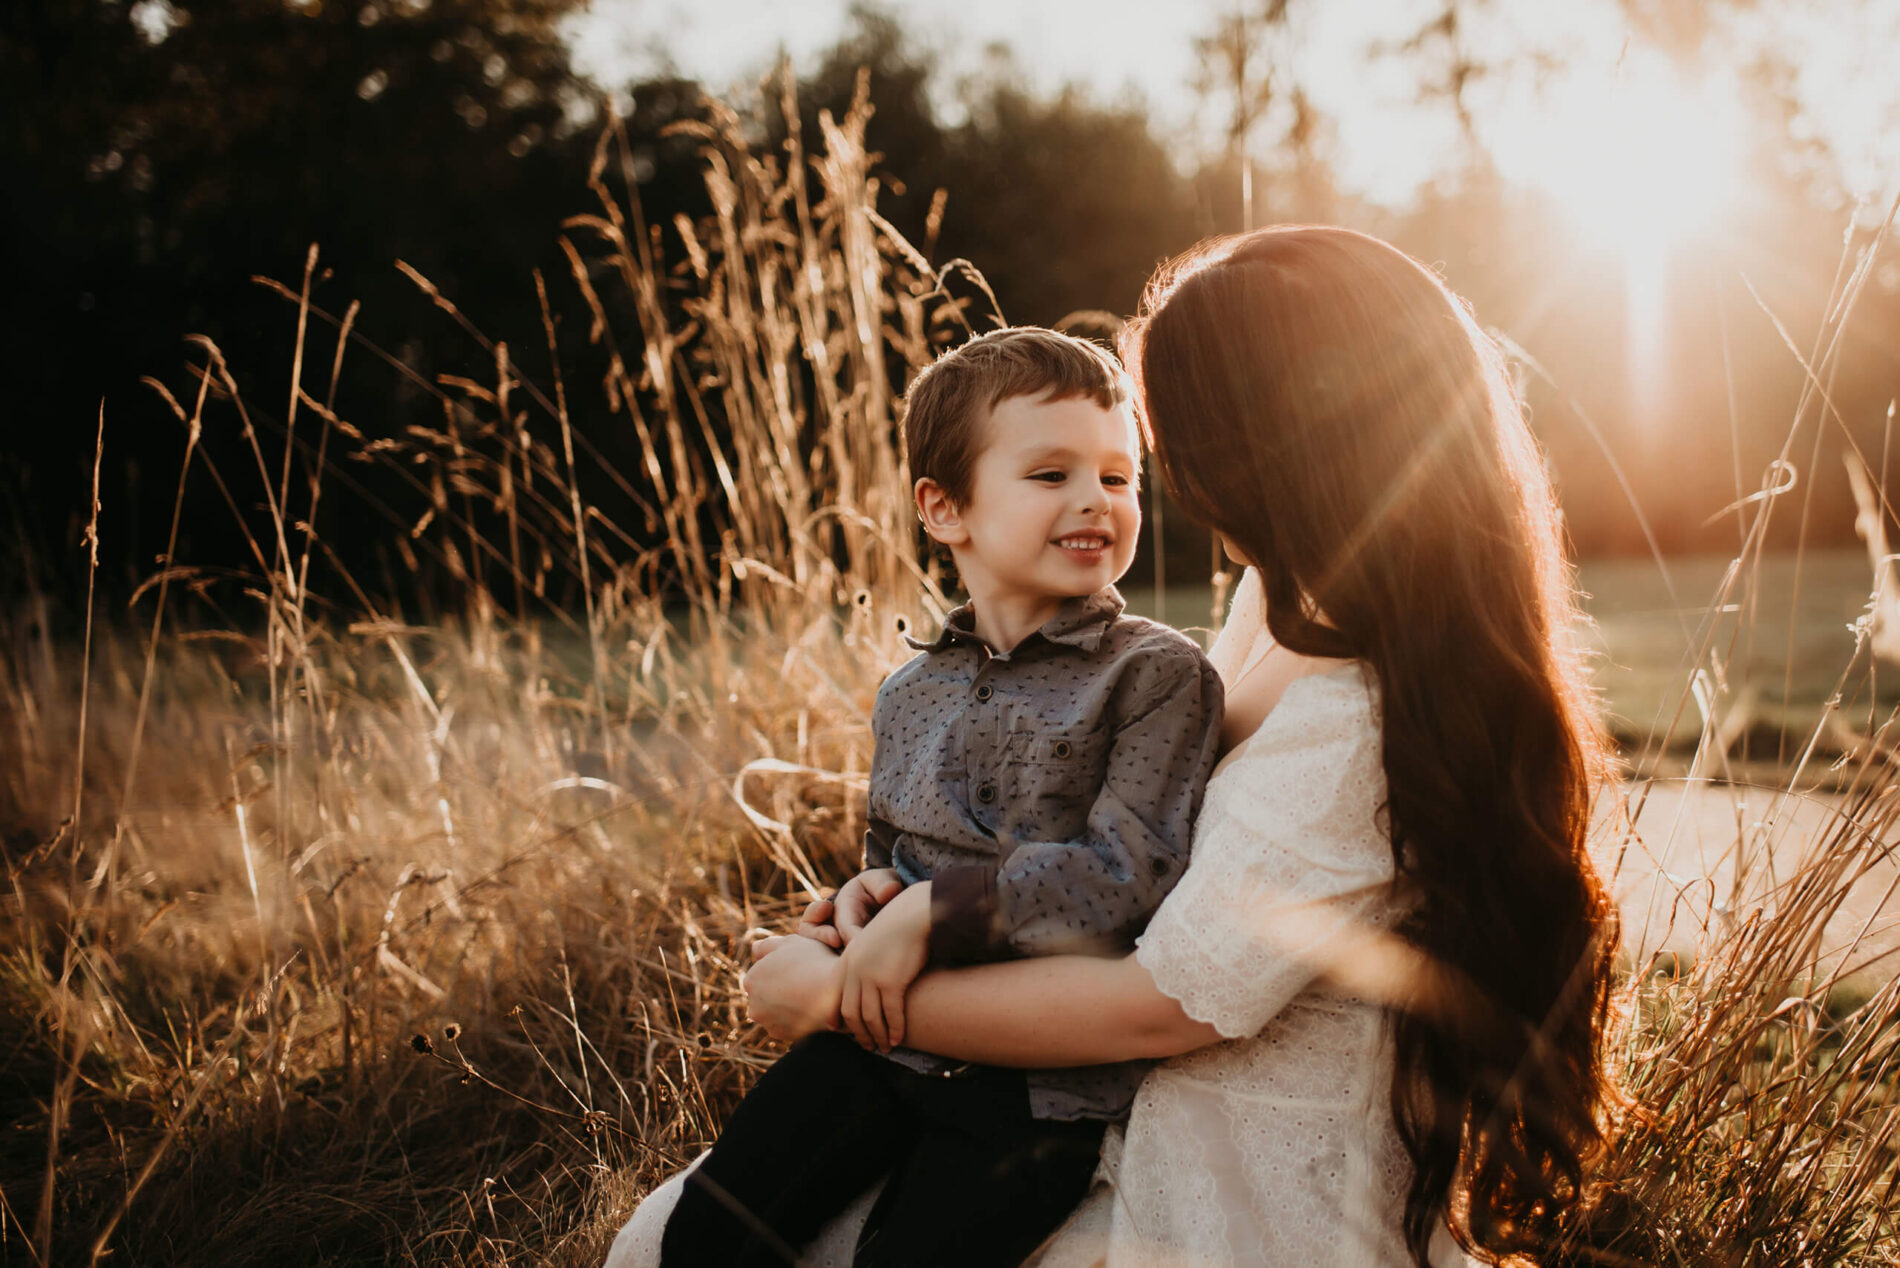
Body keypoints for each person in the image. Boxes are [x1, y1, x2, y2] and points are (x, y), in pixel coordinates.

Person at [610, 224, 1619, 1267]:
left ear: (1275, 440)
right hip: (1102, 1107)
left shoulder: (1358, 714)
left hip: (1230, 1194)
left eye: (1161, 441)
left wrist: (843, 998)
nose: (1154, 474)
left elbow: (1159, 1007)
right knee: (683, 1236)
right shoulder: (1273, 606)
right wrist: (887, 904)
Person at [653, 326, 1224, 1267]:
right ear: (945, 507)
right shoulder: (911, 691)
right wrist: (865, 899)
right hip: (874, 1048)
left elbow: (1129, 877)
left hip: (1035, 1087)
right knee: (709, 1239)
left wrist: (931, 910)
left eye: (1117, 477)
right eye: (1051, 475)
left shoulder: (1157, 678)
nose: (1095, 499)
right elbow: (895, 854)